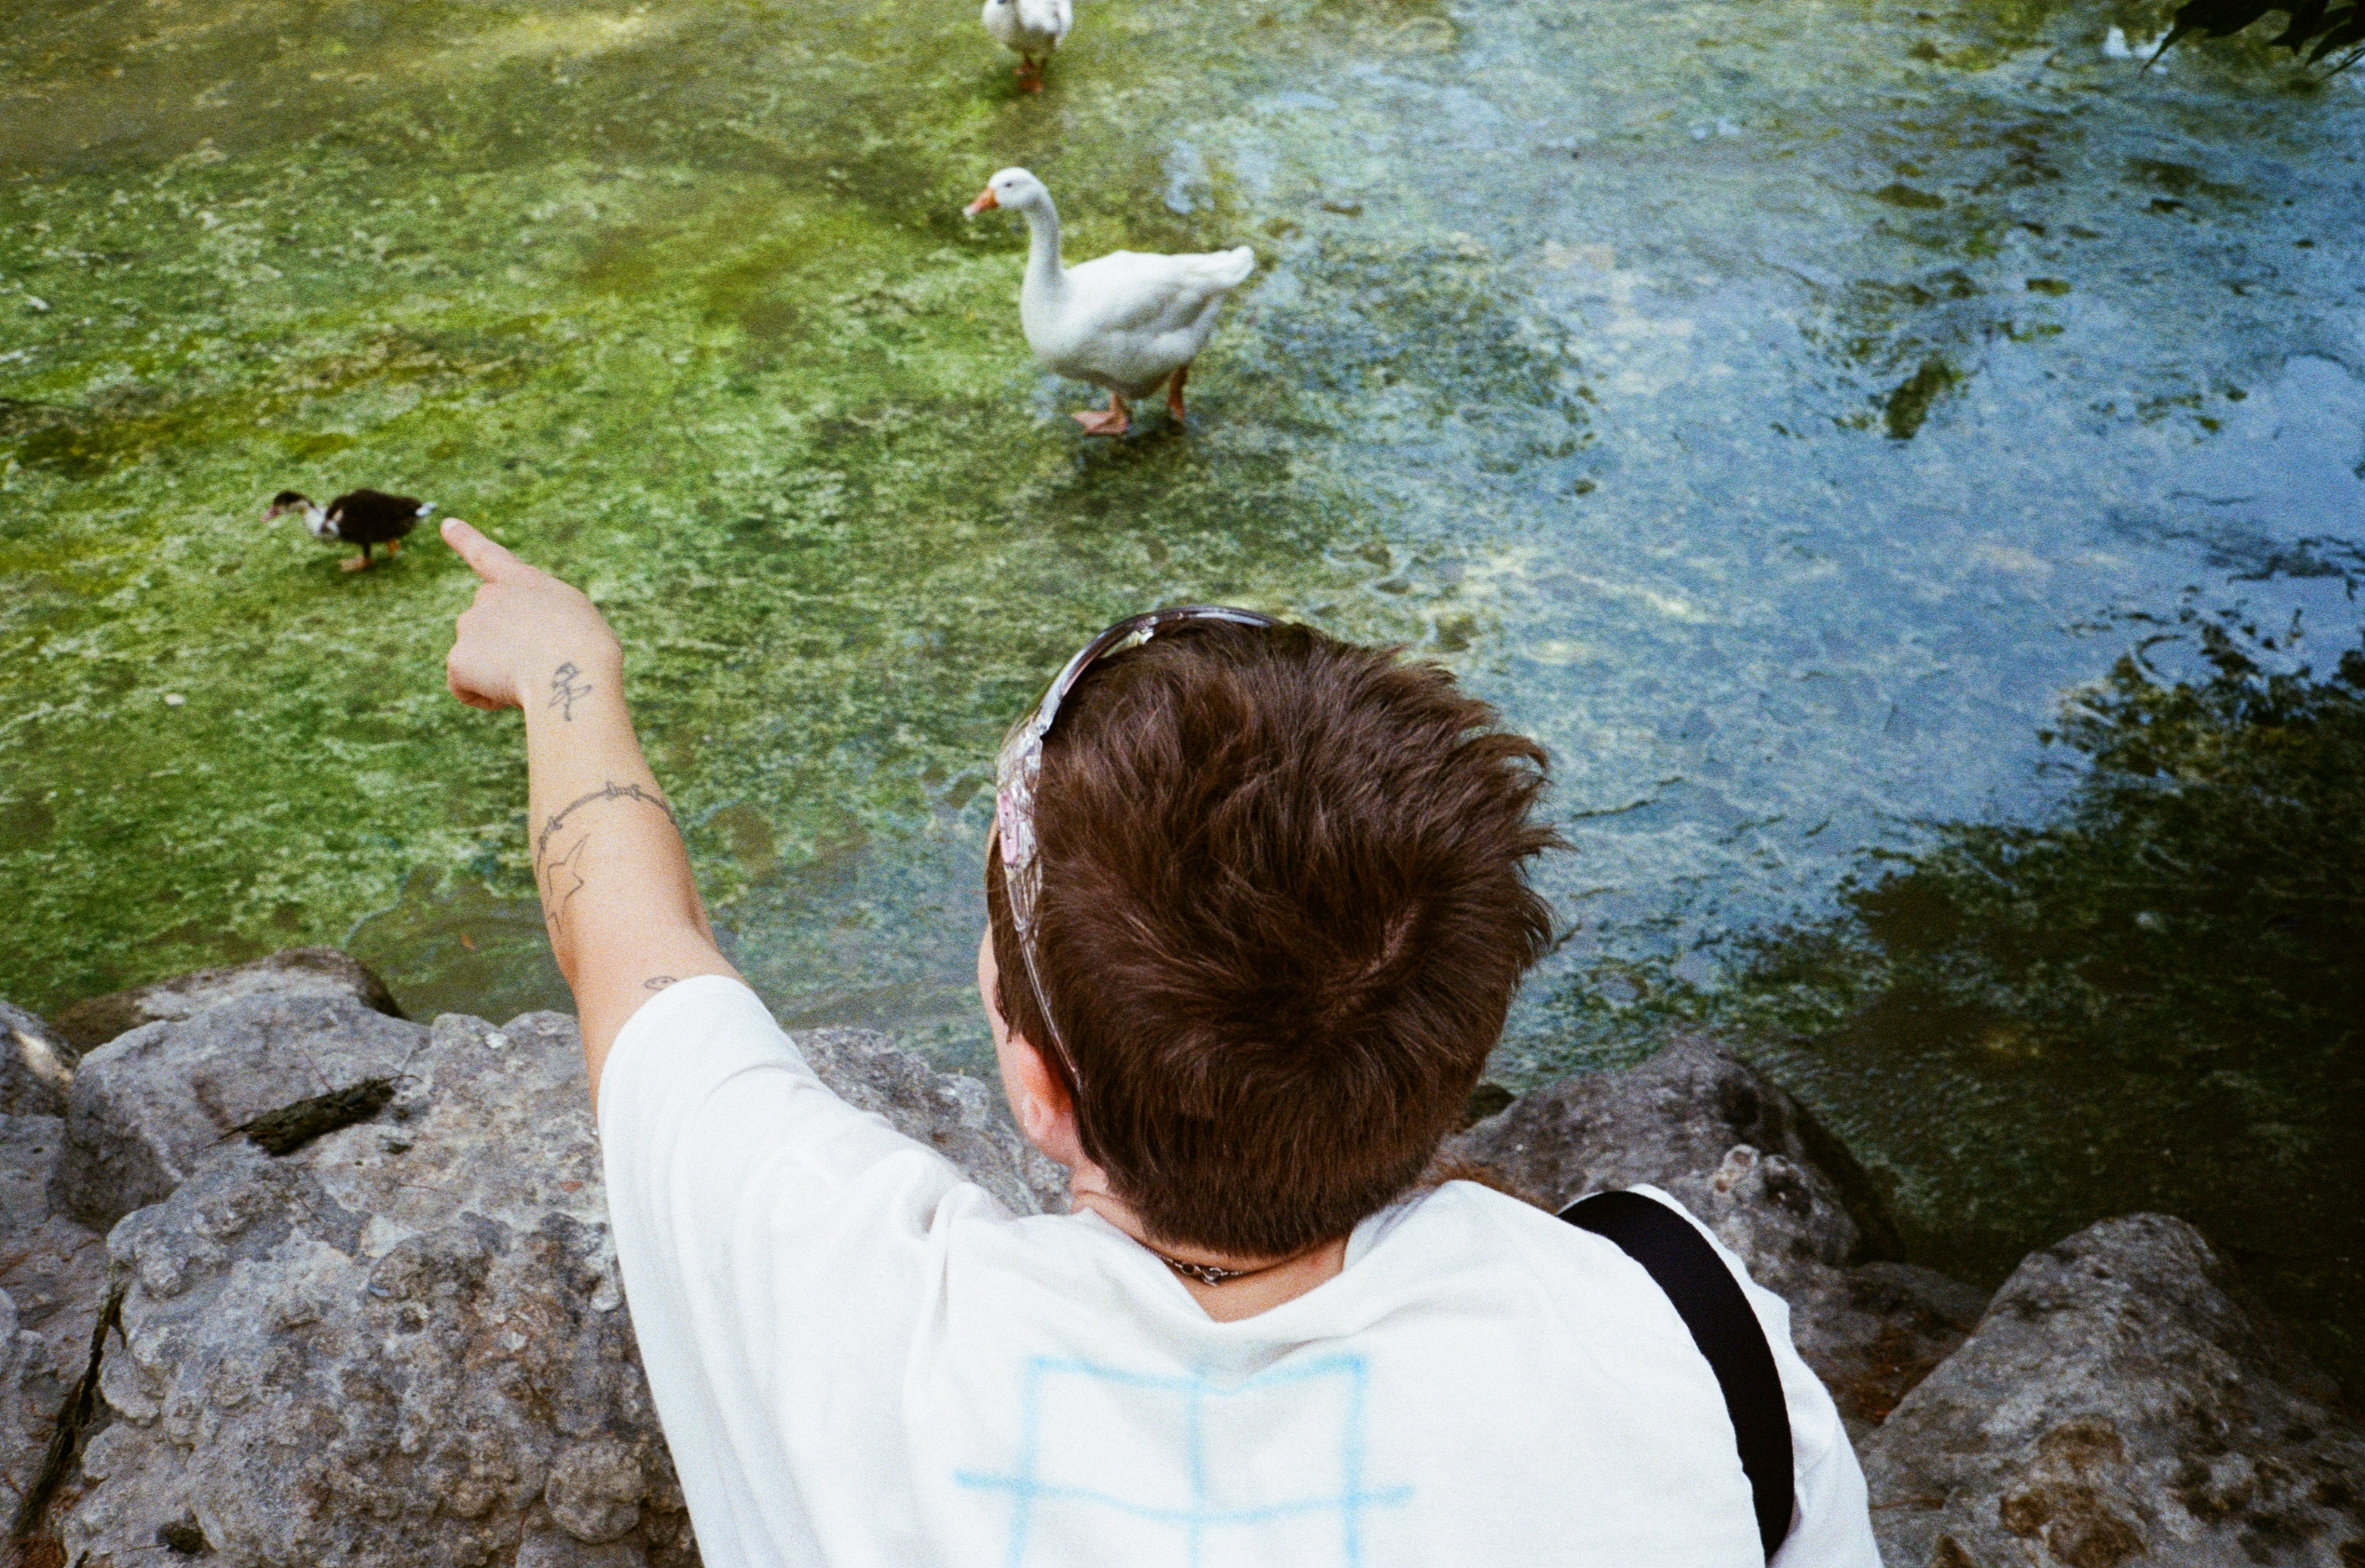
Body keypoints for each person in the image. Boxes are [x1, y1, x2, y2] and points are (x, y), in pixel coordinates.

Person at [438, 515, 1881, 1567]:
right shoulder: (1686, 1340)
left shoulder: (845, 1309)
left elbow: (630, 944)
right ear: (1462, 1036)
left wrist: (569, 669)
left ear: (1040, 1089)